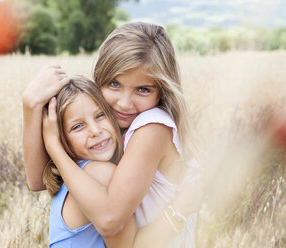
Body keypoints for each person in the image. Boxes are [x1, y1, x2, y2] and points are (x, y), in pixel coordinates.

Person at [23, 22, 201, 247]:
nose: (125, 104)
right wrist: (30, 105)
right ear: (100, 77)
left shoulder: (151, 126)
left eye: (143, 89)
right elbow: (38, 180)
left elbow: (110, 221)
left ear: (162, 91)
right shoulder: (108, 126)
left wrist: (181, 210)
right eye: (114, 84)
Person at [43, 76, 136, 248]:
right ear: (62, 139)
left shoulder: (73, 174)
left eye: (100, 115)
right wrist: (177, 212)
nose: (95, 131)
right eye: (77, 126)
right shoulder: (101, 173)